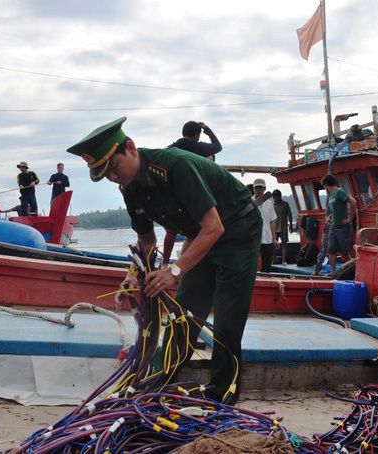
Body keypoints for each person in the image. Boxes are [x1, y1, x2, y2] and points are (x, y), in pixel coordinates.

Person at [67, 117, 262, 404]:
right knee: (183, 315)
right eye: (104, 174)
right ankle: (159, 383)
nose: (112, 177)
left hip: (237, 231)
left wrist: (174, 271)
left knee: (227, 321)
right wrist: (134, 273)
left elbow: (215, 227)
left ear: (130, 148)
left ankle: (222, 397)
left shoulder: (174, 167)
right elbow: (147, 240)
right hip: (202, 237)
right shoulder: (129, 187)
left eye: (113, 167)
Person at [161, 121, 223, 267]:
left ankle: (167, 264)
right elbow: (217, 146)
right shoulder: (192, 146)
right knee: (185, 232)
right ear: (196, 135)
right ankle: (173, 266)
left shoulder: (172, 147)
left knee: (178, 232)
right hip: (183, 192)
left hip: (167, 192)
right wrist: (207, 129)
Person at [322, 173, 357, 275]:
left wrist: (350, 218)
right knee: (331, 250)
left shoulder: (339, 192)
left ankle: (353, 272)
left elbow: (353, 202)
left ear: (326, 185)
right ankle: (333, 272)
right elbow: (335, 211)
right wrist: (330, 218)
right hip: (334, 227)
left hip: (342, 227)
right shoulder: (331, 196)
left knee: (344, 251)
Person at [254, 178, 278, 272]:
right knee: (251, 263)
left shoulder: (269, 203)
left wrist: (274, 238)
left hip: (267, 238)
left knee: (267, 264)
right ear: (254, 189)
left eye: (261, 188)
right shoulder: (250, 203)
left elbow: (272, 221)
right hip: (254, 238)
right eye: (257, 188)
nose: (258, 190)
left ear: (264, 189)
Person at [272, 189, 293, 265]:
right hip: (274, 229)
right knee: (273, 245)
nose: (277, 199)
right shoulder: (272, 205)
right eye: (275, 197)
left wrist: (291, 225)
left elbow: (290, 215)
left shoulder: (285, 204)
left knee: (284, 244)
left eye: (278, 197)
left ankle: (283, 260)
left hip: (283, 228)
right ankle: (274, 259)